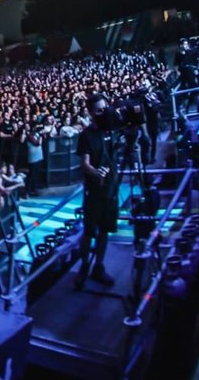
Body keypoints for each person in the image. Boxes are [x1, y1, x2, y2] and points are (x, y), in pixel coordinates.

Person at [75, 94, 119, 289]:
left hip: (111, 187)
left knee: (105, 231)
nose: (104, 112)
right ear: (91, 113)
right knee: (90, 231)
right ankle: (84, 266)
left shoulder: (111, 129)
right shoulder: (86, 135)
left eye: (105, 107)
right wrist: (95, 172)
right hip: (94, 190)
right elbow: (85, 164)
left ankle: (99, 266)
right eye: (99, 110)